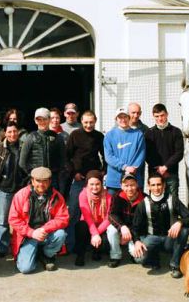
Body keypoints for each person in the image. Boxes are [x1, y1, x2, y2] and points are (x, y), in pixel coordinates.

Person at [131, 173, 189, 278]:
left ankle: (175, 264)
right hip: (152, 238)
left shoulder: (173, 199)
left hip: (169, 239)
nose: (156, 188)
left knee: (184, 230)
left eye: (159, 184)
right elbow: (135, 227)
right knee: (139, 259)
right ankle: (154, 257)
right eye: (153, 185)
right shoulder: (143, 204)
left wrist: (180, 222)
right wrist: (137, 241)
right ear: (148, 186)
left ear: (164, 185)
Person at [8, 167, 69, 274]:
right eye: (38, 181)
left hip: (46, 234)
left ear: (50, 181)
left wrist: (44, 229)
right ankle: (36, 252)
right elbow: (13, 219)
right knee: (26, 269)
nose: (41, 184)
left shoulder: (57, 197)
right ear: (32, 180)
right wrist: (32, 233)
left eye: (45, 181)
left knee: (61, 234)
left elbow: (63, 218)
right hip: (27, 237)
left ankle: (47, 254)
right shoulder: (21, 195)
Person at [65, 110, 105, 253]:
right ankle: (71, 244)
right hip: (78, 180)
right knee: (74, 211)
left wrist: (103, 171)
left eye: (91, 122)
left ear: (95, 121)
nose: (88, 125)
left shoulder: (99, 136)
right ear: (81, 122)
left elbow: (105, 155)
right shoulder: (74, 135)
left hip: (94, 182)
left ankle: (92, 243)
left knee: (95, 212)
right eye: (86, 122)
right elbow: (67, 157)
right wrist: (74, 173)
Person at [0, 121, 26, 257]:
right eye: (9, 132)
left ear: (18, 132)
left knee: (21, 219)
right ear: (5, 133)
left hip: (21, 189)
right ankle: (2, 247)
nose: (12, 134)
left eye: (14, 131)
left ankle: (19, 245)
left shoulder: (23, 147)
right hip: (4, 189)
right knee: (3, 221)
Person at [19, 108, 65, 191]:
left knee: (53, 203)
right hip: (35, 181)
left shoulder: (58, 138)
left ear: (49, 119)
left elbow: (63, 162)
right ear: (35, 121)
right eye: (39, 119)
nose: (42, 122)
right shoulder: (30, 138)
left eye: (44, 119)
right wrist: (33, 175)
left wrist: (57, 176)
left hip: (52, 180)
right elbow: (22, 162)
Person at [144, 103, 184, 200]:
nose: (160, 119)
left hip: (171, 174)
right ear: (153, 116)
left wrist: (166, 167)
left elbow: (179, 153)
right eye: (157, 116)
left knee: (172, 201)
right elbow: (146, 154)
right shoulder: (149, 133)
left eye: (162, 115)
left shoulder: (176, 131)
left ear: (167, 114)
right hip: (154, 175)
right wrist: (159, 169)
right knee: (155, 202)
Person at [74, 170, 112, 266]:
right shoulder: (83, 194)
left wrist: (96, 234)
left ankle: (97, 251)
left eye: (97, 184)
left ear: (101, 183)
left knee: (105, 242)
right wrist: (94, 234)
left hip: (102, 225)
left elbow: (108, 218)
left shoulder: (108, 196)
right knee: (81, 226)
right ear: (87, 184)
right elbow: (87, 217)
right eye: (91, 184)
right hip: (88, 224)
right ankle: (80, 255)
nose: (94, 187)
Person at [103, 107, 145, 194]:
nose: (123, 120)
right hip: (114, 181)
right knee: (114, 207)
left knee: (135, 207)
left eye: (125, 117)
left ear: (129, 118)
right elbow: (109, 157)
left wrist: (131, 169)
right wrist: (125, 167)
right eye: (120, 117)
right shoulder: (109, 135)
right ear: (116, 119)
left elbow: (141, 155)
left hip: (133, 180)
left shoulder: (138, 134)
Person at [107, 173, 145, 268]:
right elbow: (112, 215)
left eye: (132, 185)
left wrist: (132, 236)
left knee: (140, 259)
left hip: (136, 232)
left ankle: (133, 252)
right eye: (126, 185)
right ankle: (115, 256)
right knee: (111, 229)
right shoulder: (117, 196)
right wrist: (122, 227)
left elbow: (143, 224)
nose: (129, 188)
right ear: (121, 186)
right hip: (123, 228)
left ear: (137, 184)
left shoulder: (145, 199)